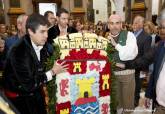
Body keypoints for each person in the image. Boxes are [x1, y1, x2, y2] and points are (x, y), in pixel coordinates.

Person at [3, 13, 68, 114]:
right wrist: (53, 72)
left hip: (36, 93)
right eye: (42, 32)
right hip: (20, 99)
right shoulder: (19, 51)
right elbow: (29, 85)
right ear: (30, 31)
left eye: (47, 31)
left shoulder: (43, 44)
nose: (46, 35)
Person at [108, 14, 138, 114]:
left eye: (117, 23)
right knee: (117, 104)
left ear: (121, 24)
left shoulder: (129, 35)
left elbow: (130, 54)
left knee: (128, 106)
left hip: (127, 75)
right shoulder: (104, 37)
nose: (114, 26)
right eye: (112, 23)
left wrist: (116, 45)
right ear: (108, 25)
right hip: (113, 76)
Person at [132, 15, 152, 107]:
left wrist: (144, 70)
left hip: (139, 67)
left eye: (136, 23)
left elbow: (146, 55)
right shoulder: (131, 34)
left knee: (137, 86)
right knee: (131, 86)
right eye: (133, 23)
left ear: (141, 24)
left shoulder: (147, 37)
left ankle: (135, 101)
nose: (133, 25)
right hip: (129, 66)